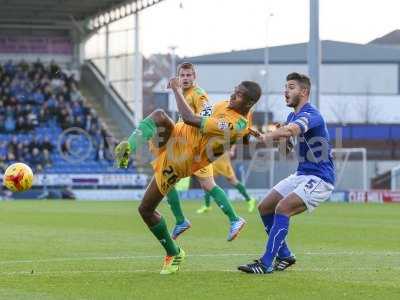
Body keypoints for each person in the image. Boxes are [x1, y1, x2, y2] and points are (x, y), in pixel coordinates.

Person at [115, 78, 262, 275]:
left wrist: (175, 90)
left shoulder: (232, 124)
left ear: (249, 102)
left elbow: (190, 118)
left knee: (145, 210)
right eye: (234, 91)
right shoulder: (239, 113)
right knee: (158, 115)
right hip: (177, 136)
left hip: (180, 159)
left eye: (238, 95)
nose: (232, 95)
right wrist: (251, 133)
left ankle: (173, 252)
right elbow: (242, 134)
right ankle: (127, 148)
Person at [238, 72, 335, 274]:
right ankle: (285, 255)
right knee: (265, 207)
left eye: (291, 87)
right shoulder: (292, 116)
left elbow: (291, 131)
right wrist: (281, 138)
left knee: (283, 208)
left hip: (320, 178)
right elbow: (285, 152)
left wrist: (267, 135)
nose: (286, 91)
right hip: (302, 174)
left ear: (304, 91)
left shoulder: (312, 115)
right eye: (285, 87)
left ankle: (265, 264)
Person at [164, 62, 251, 240]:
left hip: (192, 148)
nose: (186, 78)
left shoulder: (198, 94)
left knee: (165, 179)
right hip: (191, 147)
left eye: (189, 75)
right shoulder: (184, 94)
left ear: (194, 77)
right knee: (208, 185)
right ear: (179, 77)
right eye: (183, 75)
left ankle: (181, 220)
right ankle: (234, 219)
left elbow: (205, 115)